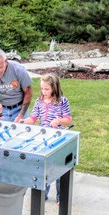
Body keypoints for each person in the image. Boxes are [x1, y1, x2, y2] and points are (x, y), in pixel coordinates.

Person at [22, 73, 72, 203]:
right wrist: (24, 121)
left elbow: (68, 119)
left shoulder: (62, 101)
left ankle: (61, 197)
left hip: (57, 139)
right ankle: (43, 194)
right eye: (42, 89)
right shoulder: (39, 101)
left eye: (47, 89)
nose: (44, 92)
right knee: (44, 168)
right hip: (43, 139)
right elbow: (33, 118)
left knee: (59, 168)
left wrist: (59, 120)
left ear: (54, 88)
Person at [0, 49, 33, 122]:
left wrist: (21, 115)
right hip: (0, 109)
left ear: (5, 62)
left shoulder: (18, 70)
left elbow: (28, 93)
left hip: (19, 108)